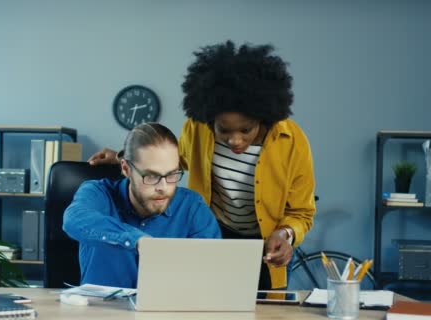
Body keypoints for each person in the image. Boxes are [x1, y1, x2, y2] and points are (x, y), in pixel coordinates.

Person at [89, 40, 316, 290]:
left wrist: (286, 234)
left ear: (263, 115)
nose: (235, 140)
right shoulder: (198, 129)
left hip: (266, 245)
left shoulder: (292, 141)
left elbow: (301, 213)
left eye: (246, 129)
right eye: (224, 130)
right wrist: (125, 157)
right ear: (210, 120)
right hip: (213, 233)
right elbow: (176, 161)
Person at [63, 122, 221, 288]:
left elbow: (213, 272)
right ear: (126, 169)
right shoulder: (97, 192)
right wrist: (136, 240)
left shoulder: (192, 206)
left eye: (172, 174)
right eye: (152, 176)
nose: (163, 187)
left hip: (168, 312)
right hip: (101, 311)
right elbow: (73, 219)